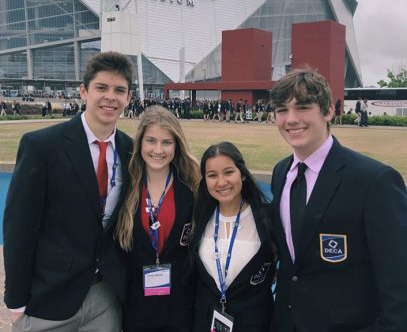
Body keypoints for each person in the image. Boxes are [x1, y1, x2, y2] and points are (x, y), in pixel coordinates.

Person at [3, 51, 134, 332]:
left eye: (119, 90)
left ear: (128, 99)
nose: (110, 97)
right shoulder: (42, 147)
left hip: (105, 299)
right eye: (102, 87)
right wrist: (15, 303)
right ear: (84, 91)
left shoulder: (131, 150)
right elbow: (19, 227)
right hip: (49, 298)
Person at [269, 69, 407, 332]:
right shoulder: (280, 173)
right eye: (282, 110)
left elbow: (400, 287)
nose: (291, 119)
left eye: (303, 107)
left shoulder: (374, 181)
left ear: (328, 111)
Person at [117, 105, 200, 332]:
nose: (158, 150)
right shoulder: (125, 188)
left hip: (180, 308)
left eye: (167, 142)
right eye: (151, 141)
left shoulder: (192, 188)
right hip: (137, 308)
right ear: (140, 143)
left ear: (177, 145)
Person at [190, 141, 276, 332]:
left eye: (229, 172)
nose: (221, 182)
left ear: (242, 174)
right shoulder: (197, 217)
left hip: (254, 324)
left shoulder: (268, 218)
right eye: (212, 175)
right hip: (205, 323)